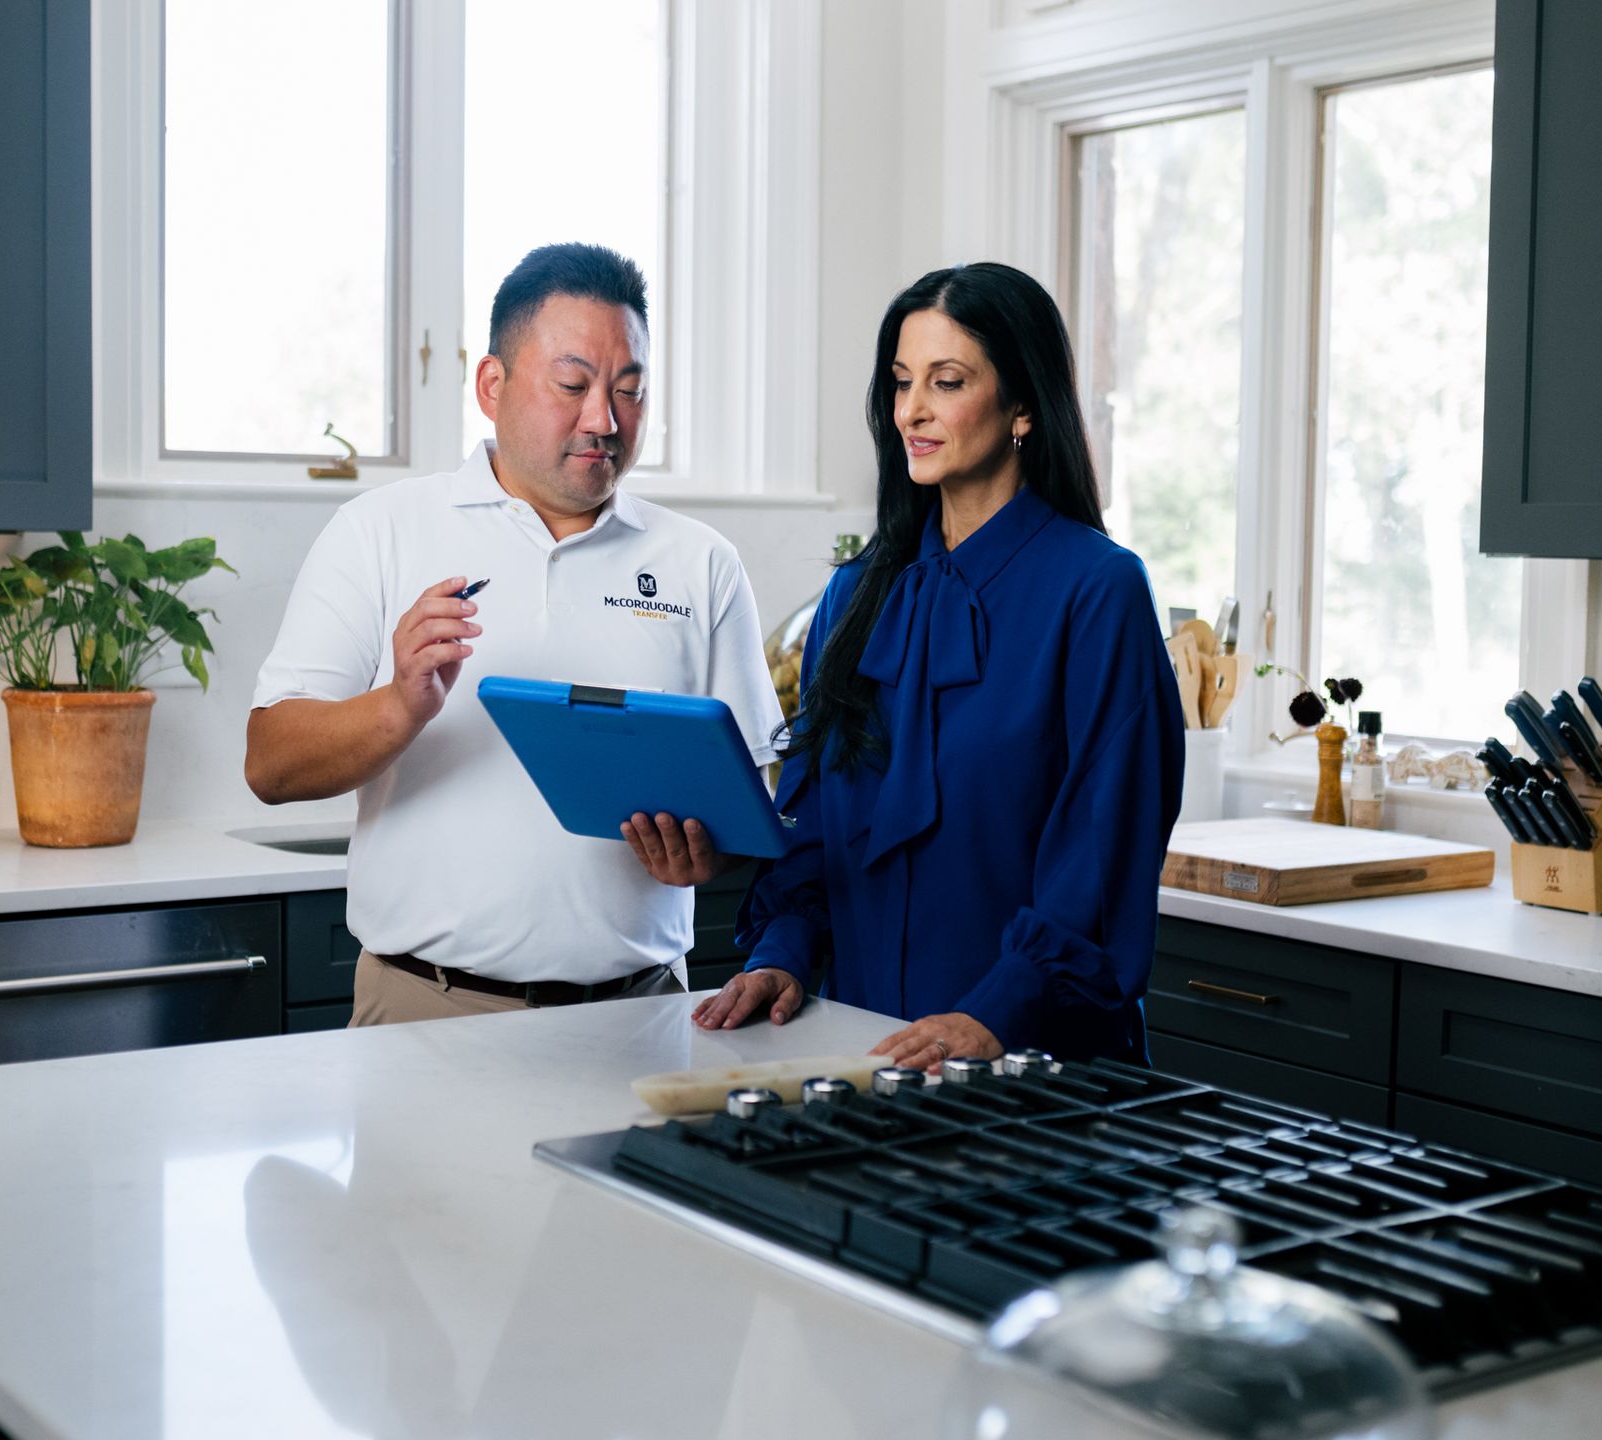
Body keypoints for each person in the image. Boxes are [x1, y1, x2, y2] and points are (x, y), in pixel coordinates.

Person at [246, 243, 780, 1026]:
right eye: (573, 385)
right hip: (421, 1012)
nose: (604, 420)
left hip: (642, 1017)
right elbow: (271, 765)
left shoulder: (702, 563)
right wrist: (399, 706)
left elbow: (752, 800)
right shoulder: (379, 532)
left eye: (630, 391)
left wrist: (710, 851)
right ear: (491, 386)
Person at [678, 262, 1183, 1069]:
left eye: (946, 382)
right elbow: (812, 834)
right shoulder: (853, 598)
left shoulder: (1098, 591)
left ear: (1022, 404)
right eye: (901, 381)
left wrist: (996, 1011)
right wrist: (781, 953)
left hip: (1032, 1062)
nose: (912, 409)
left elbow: (1104, 846)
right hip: (868, 1052)